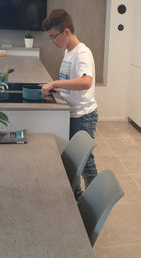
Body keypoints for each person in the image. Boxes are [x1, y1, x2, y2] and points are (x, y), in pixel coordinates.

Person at [41, 9, 98, 200]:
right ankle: (77, 199)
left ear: (66, 32)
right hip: (71, 113)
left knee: (85, 161)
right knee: (74, 160)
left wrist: (55, 83)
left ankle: (93, 202)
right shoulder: (68, 52)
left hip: (83, 116)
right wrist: (57, 90)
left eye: (53, 36)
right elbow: (71, 83)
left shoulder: (82, 53)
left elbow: (86, 82)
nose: (52, 42)